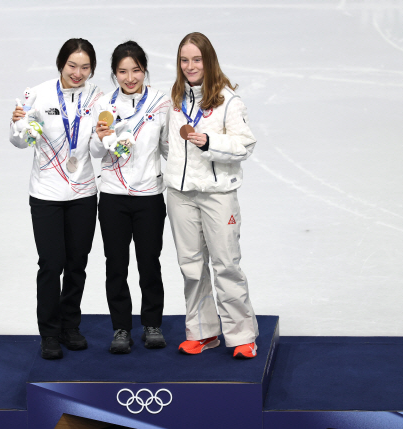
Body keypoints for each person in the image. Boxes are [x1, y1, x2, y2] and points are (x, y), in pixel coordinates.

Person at [164, 32, 259, 359]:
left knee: (226, 265)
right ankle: (202, 332)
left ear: (209, 61)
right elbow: (167, 144)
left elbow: (245, 144)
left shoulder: (228, 101)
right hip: (180, 194)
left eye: (197, 59)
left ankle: (242, 335)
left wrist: (210, 142)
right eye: (184, 60)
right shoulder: (175, 100)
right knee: (191, 267)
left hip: (217, 195)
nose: (190, 66)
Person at [9, 38, 103, 360]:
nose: (78, 73)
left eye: (85, 67)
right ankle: (49, 333)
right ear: (61, 64)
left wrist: (105, 138)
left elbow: (97, 150)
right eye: (72, 65)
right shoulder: (38, 95)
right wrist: (18, 125)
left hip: (83, 192)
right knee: (51, 264)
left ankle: (69, 326)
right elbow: (20, 142)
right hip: (46, 194)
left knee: (77, 263)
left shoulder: (97, 98)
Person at [91, 41, 170, 354]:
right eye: (122, 71)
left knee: (149, 263)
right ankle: (121, 328)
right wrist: (100, 138)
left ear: (144, 69)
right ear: (114, 73)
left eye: (135, 70)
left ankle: (152, 324)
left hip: (149, 196)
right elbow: (95, 151)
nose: (130, 77)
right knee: (116, 265)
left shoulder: (160, 103)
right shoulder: (104, 105)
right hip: (113, 196)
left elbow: (167, 147)